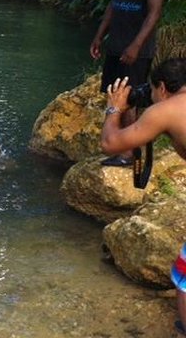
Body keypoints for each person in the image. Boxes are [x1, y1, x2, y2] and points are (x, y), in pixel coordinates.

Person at [99, 58, 186, 335]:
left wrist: (114, 108)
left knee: (185, 277)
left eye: (151, 90)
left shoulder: (166, 109)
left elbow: (111, 143)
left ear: (162, 87)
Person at [90, 0, 166, 167]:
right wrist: (99, 36)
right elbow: (113, 6)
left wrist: (136, 45)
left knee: (131, 99)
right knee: (116, 94)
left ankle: (129, 153)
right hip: (116, 45)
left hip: (137, 50)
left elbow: (154, 14)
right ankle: (122, 147)